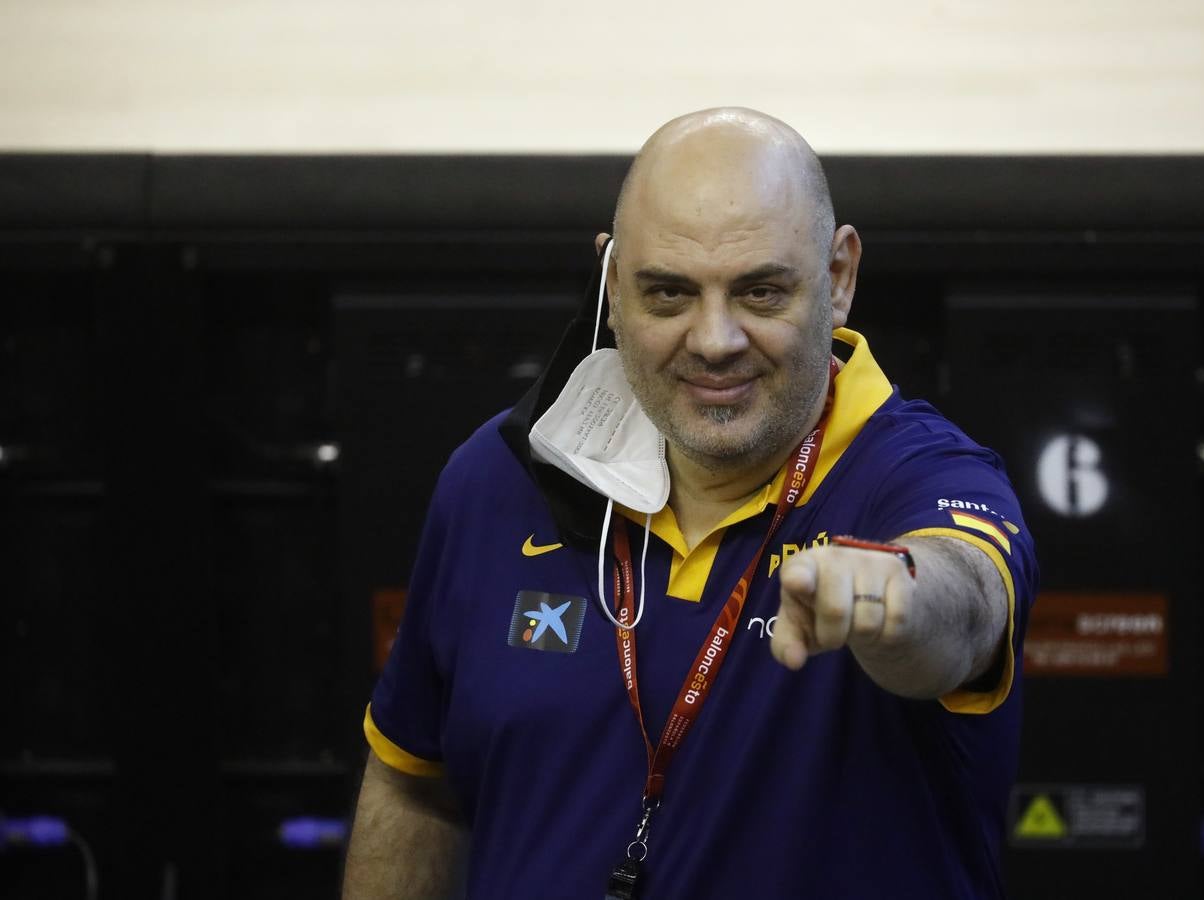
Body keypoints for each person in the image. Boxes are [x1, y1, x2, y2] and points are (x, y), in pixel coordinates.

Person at [342, 107, 1038, 899]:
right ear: (610, 285)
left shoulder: (917, 475)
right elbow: (412, 783)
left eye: (761, 293)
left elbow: (969, 604)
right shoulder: (498, 477)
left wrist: (898, 598)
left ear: (838, 278)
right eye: (669, 294)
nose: (714, 340)